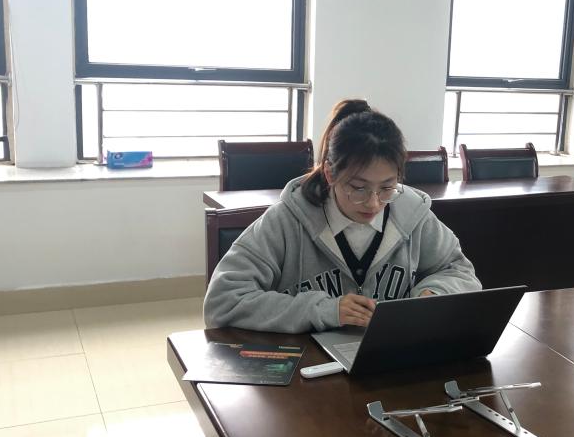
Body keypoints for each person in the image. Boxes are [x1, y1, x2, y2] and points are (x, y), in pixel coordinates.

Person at [204, 99, 481, 333]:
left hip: (391, 362)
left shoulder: (413, 214)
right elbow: (222, 301)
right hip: (311, 369)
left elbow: (460, 272)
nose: (373, 203)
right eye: (358, 188)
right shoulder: (286, 221)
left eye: (387, 187)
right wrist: (324, 310)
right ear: (330, 174)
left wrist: (433, 294)